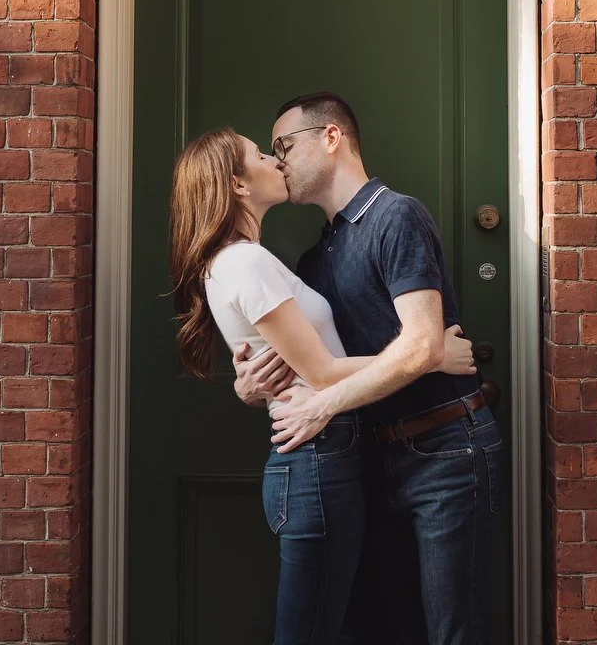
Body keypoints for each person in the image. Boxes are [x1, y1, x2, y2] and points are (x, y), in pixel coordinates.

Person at [167, 127, 476, 645]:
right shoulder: (245, 262)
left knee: (347, 629)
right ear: (239, 186)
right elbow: (323, 374)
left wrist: (251, 385)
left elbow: (296, 364)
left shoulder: (249, 261)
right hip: (316, 462)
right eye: (262, 154)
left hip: (330, 458)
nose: (275, 161)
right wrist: (432, 357)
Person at [234, 92, 503, 645]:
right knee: (391, 630)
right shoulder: (314, 259)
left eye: (284, 145)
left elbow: (424, 343)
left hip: (447, 452)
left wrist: (323, 404)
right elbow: (308, 365)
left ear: (330, 137)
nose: (277, 159)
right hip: (370, 461)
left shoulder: (395, 216)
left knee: (453, 632)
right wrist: (248, 384)